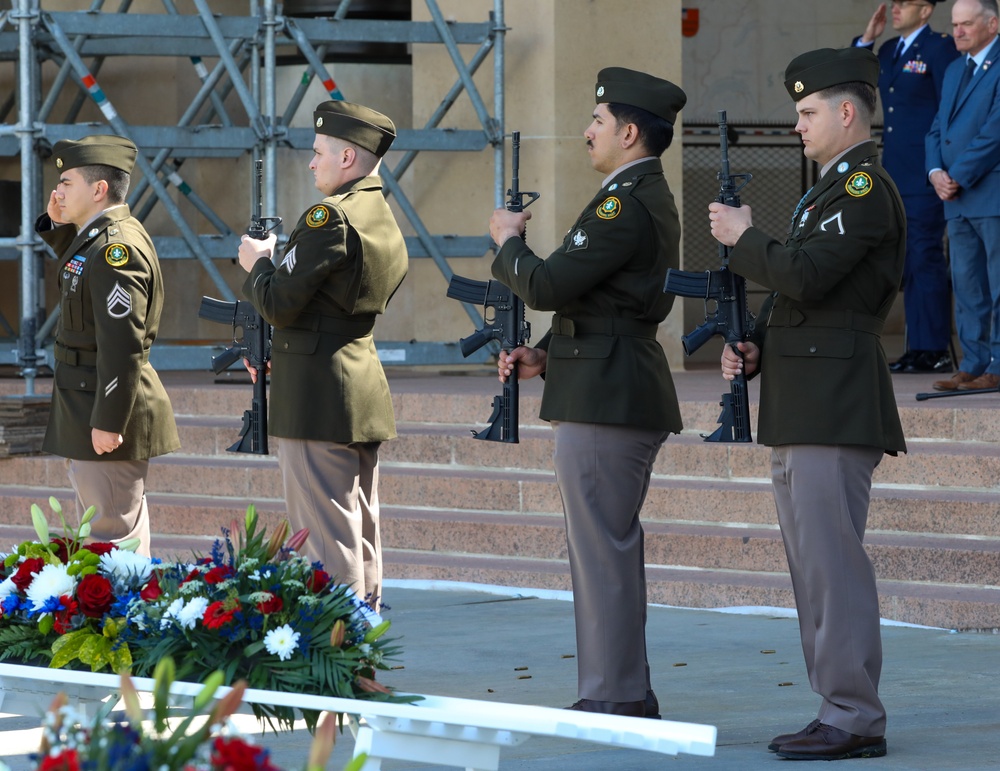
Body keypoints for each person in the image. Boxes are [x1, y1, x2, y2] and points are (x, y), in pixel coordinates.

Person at [710, 48, 905, 760]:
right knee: (812, 567)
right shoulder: (824, 192)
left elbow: (809, 274)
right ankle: (837, 704)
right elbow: (799, 297)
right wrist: (755, 346)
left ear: (846, 112)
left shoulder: (862, 190)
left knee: (833, 565)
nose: (797, 124)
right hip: (804, 401)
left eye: (807, 111)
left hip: (833, 401)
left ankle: (854, 713)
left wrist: (743, 238)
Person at [490, 67, 685, 718]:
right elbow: (596, 299)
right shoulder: (634, 193)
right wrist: (544, 353)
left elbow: (548, 284)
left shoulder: (622, 201)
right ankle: (618, 686)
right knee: (605, 548)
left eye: (598, 122)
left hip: (608, 392)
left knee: (602, 550)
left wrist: (508, 245)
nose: (586, 132)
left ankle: (615, 692)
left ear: (630, 133)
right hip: (605, 380)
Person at [236, 100, 408, 608]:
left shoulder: (329, 216)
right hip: (354, 385)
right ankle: (363, 655)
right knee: (359, 535)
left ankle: (339, 666)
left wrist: (257, 264)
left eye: (318, 153)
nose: (312, 163)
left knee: (325, 541)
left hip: (315, 397)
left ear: (348, 159)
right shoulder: (378, 212)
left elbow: (279, 304)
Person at [37, 135, 180, 557]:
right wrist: (60, 224)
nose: (58, 191)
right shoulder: (98, 239)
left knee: (110, 540)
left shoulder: (117, 249)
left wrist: (110, 419)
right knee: (105, 533)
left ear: (99, 190)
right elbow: (82, 272)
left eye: (66, 182)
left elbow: (122, 345)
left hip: (103, 406)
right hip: (86, 403)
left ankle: (123, 622)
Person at [854, 0, 958, 374]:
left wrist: (942, 165)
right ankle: (919, 348)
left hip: (926, 172)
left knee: (924, 255)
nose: (896, 9)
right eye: (894, 3)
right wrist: (867, 38)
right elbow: (855, 77)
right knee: (908, 261)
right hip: (896, 172)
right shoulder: (889, 49)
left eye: (906, 3)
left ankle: (933, 349)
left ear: (926, 10)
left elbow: (951, 108)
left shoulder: (939, 47)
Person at [926, 0, 1000, 392]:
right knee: (968, 284)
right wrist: (935, 172)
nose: (957, 31)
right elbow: (937, 129)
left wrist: (956, 175)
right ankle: (973, 363)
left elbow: (995, 131)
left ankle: (999, 365)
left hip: (990, 192)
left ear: (993, 23)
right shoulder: (956, 69)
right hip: (955, 198)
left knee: (998, 282)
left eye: (966, 24)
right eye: (955, 24)